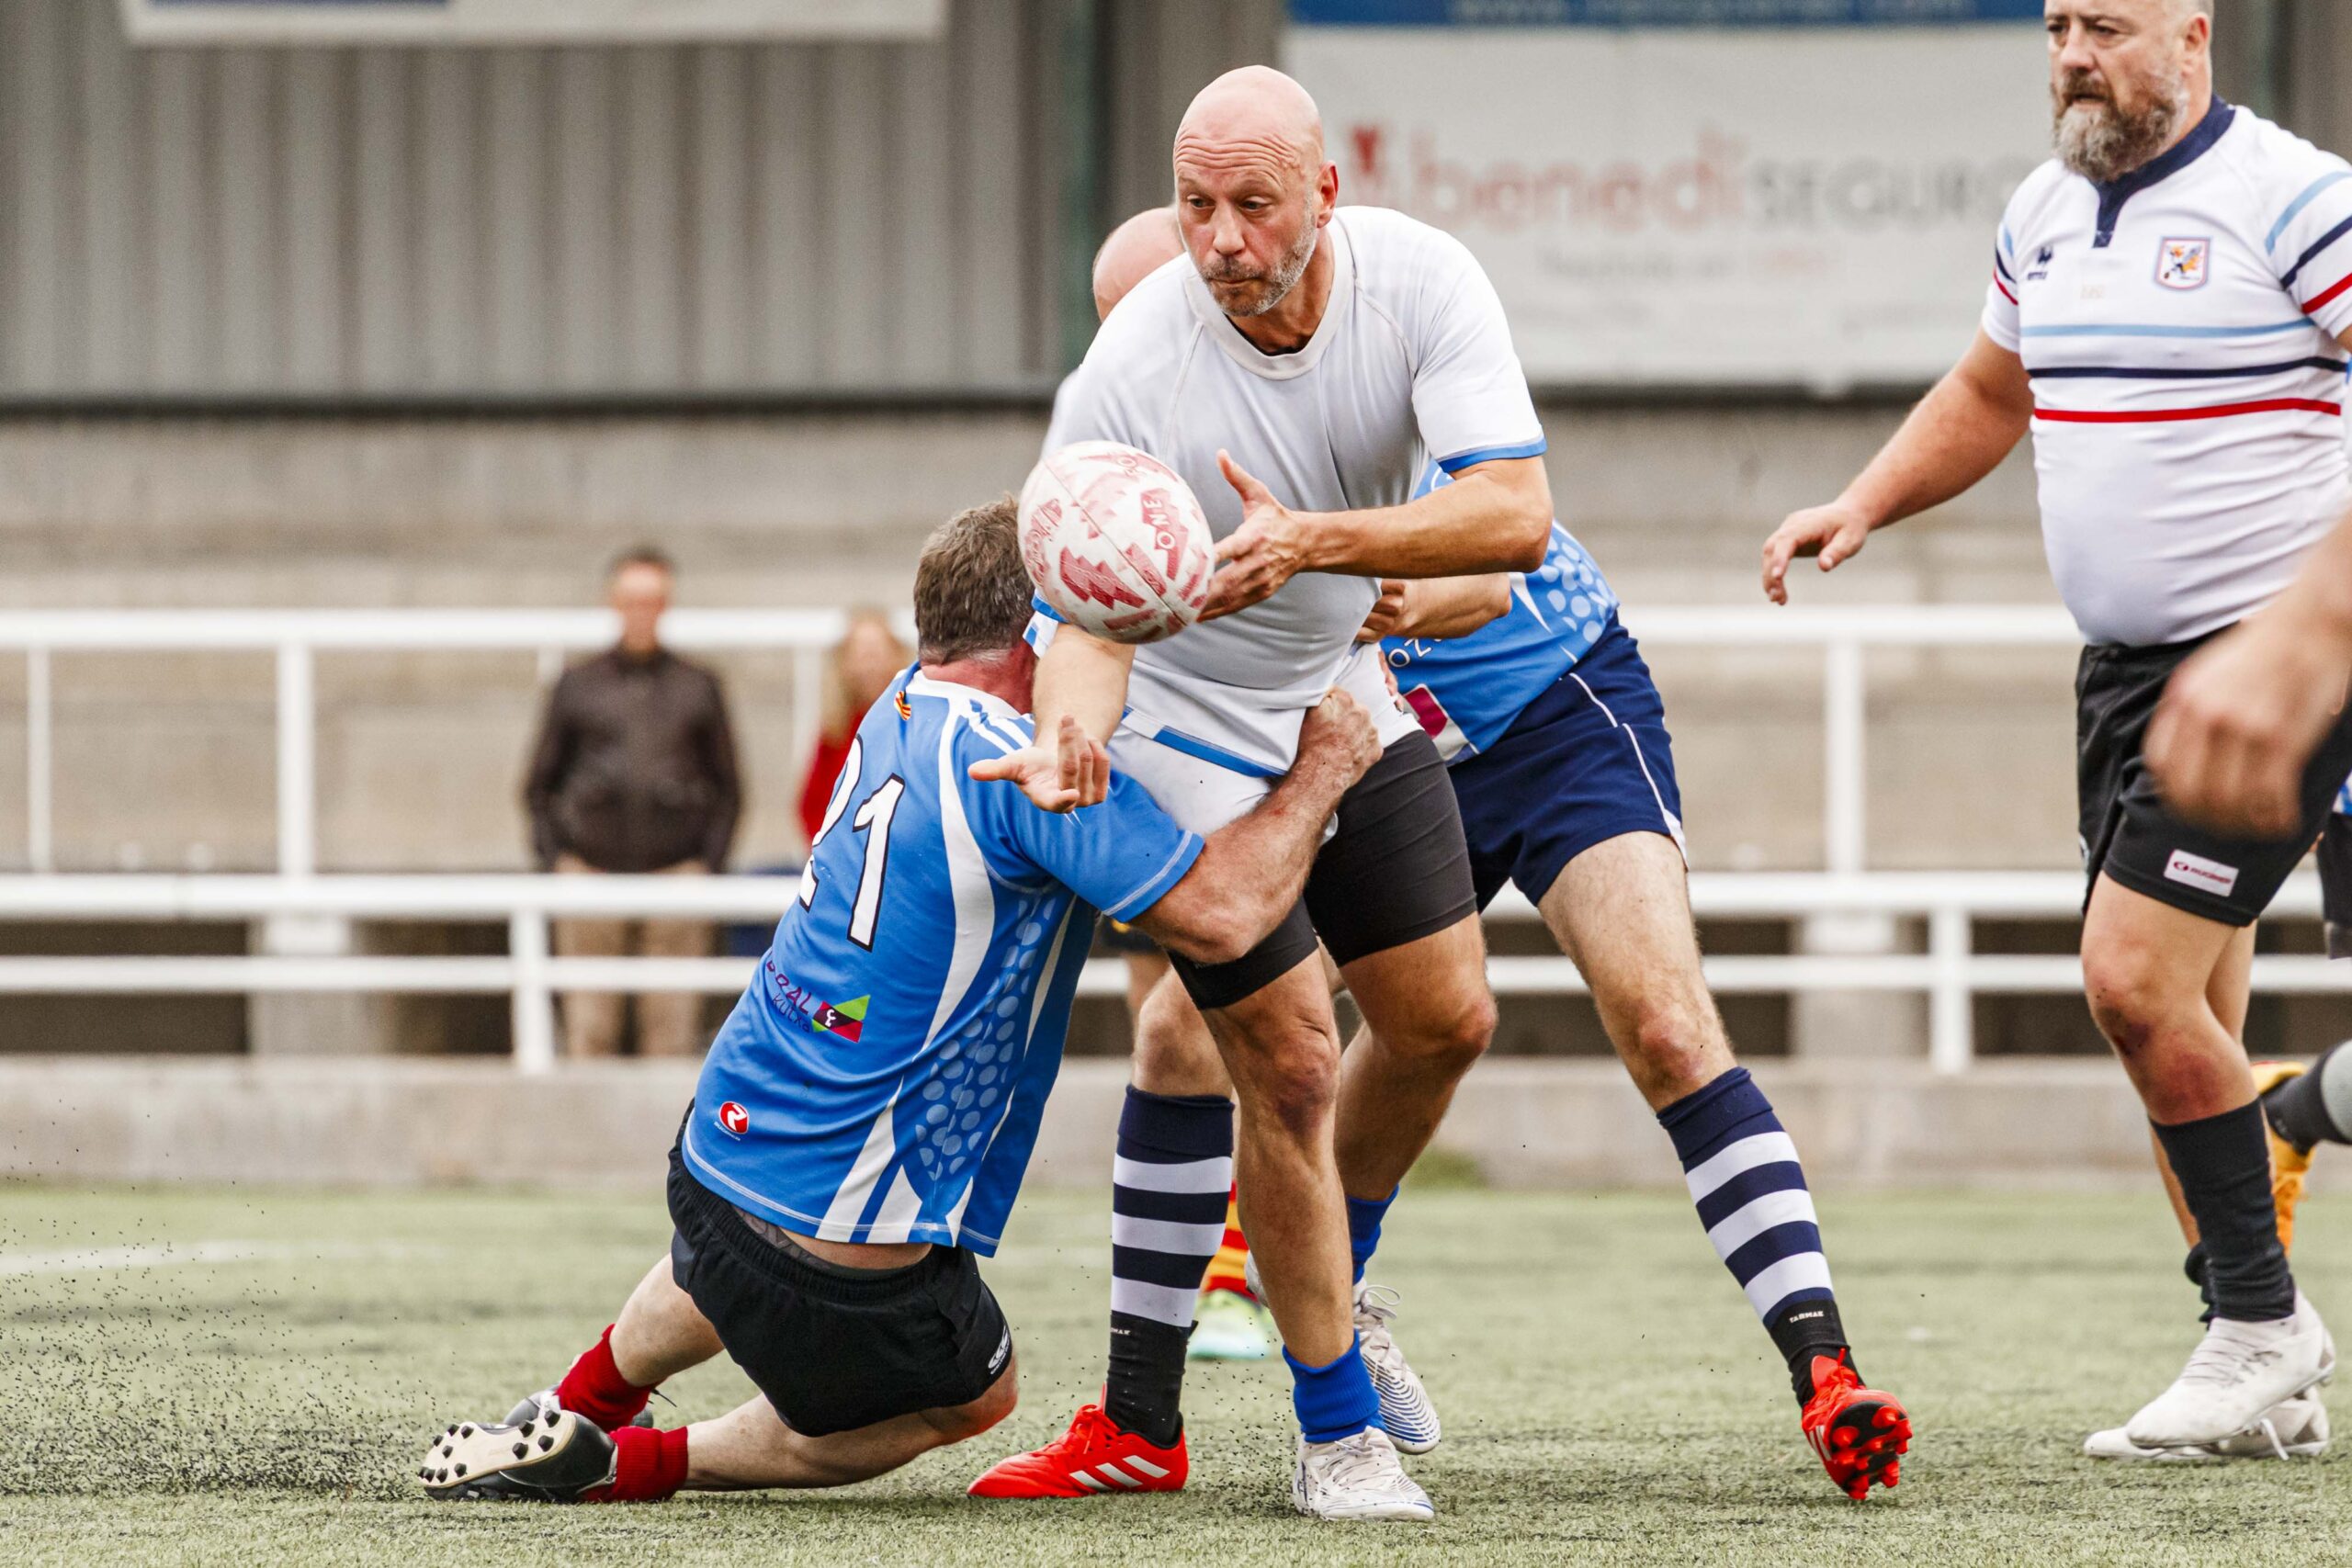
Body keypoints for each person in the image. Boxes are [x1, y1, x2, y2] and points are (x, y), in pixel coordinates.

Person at [1005, 203, 1912, 1505]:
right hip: (1345, 722)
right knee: (1182, 1041)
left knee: (1657, 1021)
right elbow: (1100, 618)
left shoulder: (1365, 345)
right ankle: (1150, 1407)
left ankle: (1825, 1366)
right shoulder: (1137, 418)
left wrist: (1356, 572)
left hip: (1541, 704)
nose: (1172, 319)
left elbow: (1493, 564)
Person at [416, 499, 1382, 1506]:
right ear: (1040, 631)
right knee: (974, 1398)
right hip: (845, 1253)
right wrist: (1323, 767)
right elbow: (1224, 915)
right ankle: (625, 1463)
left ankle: (576, 1402)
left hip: (712, 1153)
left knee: (725, 1249)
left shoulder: (896, 705)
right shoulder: (1020, 768)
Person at [1762, 0, 2352, 1461]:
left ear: (2195, 36)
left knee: (2128, 983)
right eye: (2057, 25)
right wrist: (1865, 501)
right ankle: (2255, 1340)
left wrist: (2302, 636)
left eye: (2110, 24)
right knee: (2189, 1018)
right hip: (2127, 678)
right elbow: (1990, 391)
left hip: (2278, 669)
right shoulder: (2040, 213)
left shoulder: (2298, 197)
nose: (2075, 53)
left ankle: (2260, 1327)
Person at [968, 66, 1550, 1522]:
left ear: (1325, 195)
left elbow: (1515, 513)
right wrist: (1070, 733)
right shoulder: (1130, 365)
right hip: (1172, 712)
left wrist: (1318, 548)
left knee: (1445, 1017)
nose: (1218, 239)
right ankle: (1332, 1431)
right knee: (1287, 1060)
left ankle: (1332, 1284)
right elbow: (1085, 617)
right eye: (1194, 204)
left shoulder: (1423, 284)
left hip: (1331, 691)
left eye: (1251, 204)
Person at [524, 546, 742, 1059]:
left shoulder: (698, 686)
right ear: (613, 602)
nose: (642, 611)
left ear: (666, 605)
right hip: (590, 874)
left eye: (653, 600)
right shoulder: (577, 685)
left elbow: (728, 786)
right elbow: (538, 785)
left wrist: (706, 864)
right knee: (589, 1028)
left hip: (675, 875)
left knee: (671, 1029)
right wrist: (558, 860)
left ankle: (668, 1139)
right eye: (632, 599)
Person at [798, 609, 910, 849]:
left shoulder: (913, 725)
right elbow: (811, 806)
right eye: (861, 655)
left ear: (897, 655)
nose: (870, 666)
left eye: (876, 654)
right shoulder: (835, 732)